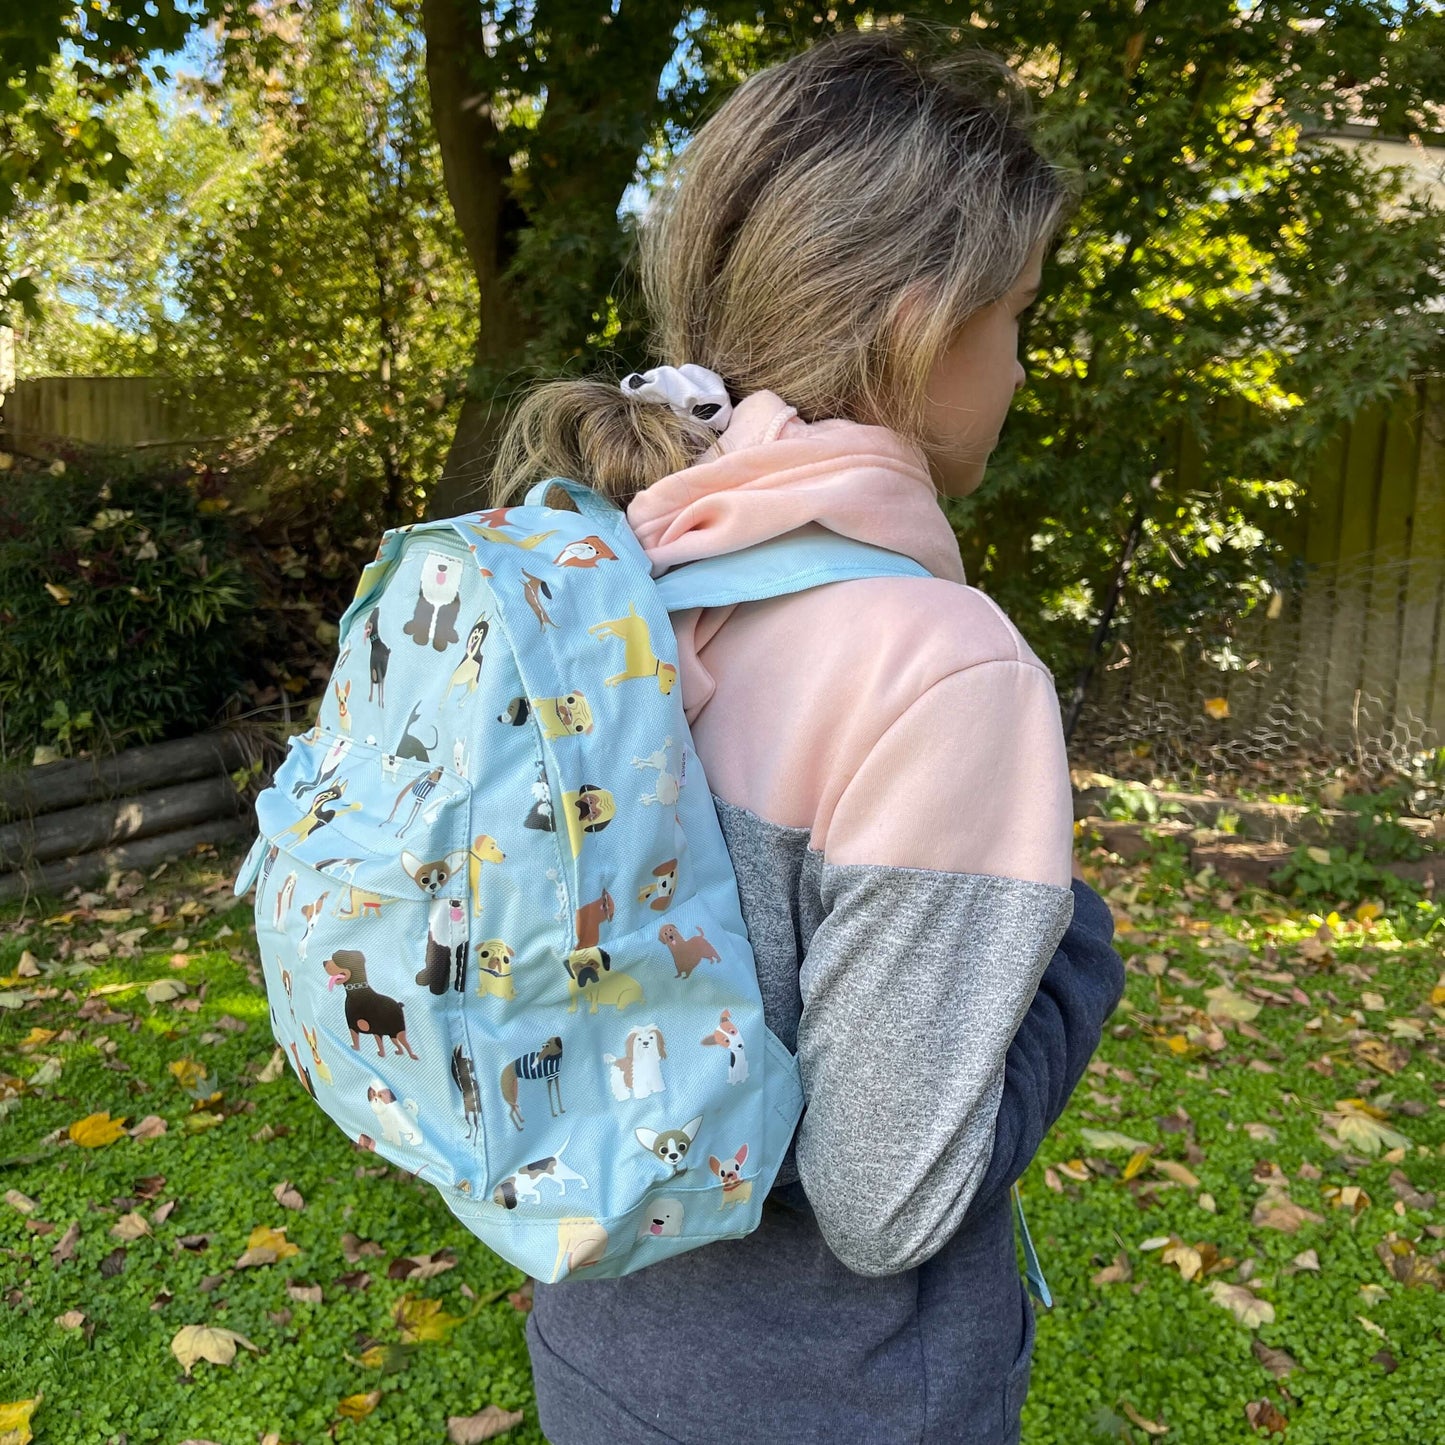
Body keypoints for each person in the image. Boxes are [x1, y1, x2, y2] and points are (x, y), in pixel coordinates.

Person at [482, 23, 1127, 1445]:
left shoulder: (613, 588)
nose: (1020, 367)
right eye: (1016, 315)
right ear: (919, 322)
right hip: (833, 1403)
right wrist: (1076, 955)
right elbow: (887, 1197)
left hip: (599, 1355)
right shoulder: (938, 666)